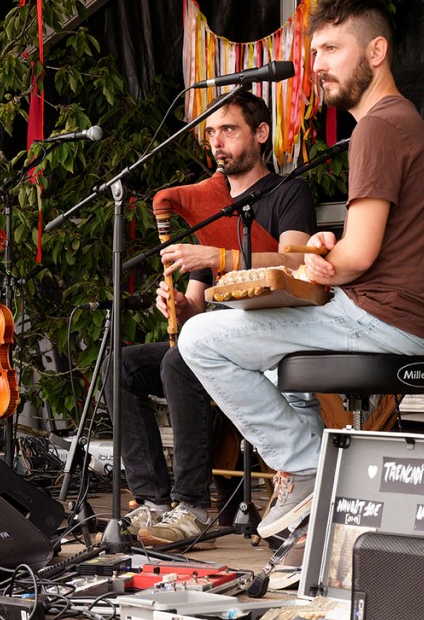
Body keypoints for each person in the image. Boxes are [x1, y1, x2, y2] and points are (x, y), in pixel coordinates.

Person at [178, 0, 424, 539]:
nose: (318, 65)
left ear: (376, 51)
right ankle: (311, 512)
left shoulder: (377, 126)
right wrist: (329, 251)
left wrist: (321, 265)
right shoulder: (400, 120)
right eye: (315, 53)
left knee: (202, 339)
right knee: (265, 350)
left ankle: (308, 467)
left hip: (386, 320)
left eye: (332, 49)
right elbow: (367, 246)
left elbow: (358, 258)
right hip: (402, 317)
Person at [105, 90, 317, 548]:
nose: (217, 143)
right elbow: (196, 306)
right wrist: (178, 306)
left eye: (229, 130)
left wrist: (218, 256)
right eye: (211, 133)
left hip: (270, 336)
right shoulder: (211, 207)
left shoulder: (289, 192)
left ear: (261, 133)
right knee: (121, 365)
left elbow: (295, 264)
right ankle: (154, 500)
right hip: (212, 338)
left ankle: (192, 508)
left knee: (178, 362)